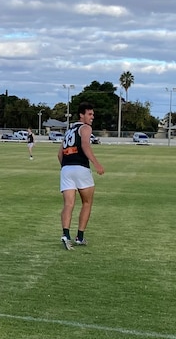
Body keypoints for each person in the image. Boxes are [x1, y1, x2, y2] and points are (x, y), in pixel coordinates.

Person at [58, 102, 104, 250]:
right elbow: (85, 145)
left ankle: (66, 234)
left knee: (68, 204)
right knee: (87, 202)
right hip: (81, 168)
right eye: (89, 114)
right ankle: (80, 237)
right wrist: (96, 163)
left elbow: (59, 154)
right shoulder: (85, 128)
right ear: (81, 115)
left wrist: (66, 168)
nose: (92, 117)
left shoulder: (69, 130)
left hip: (66, 169)